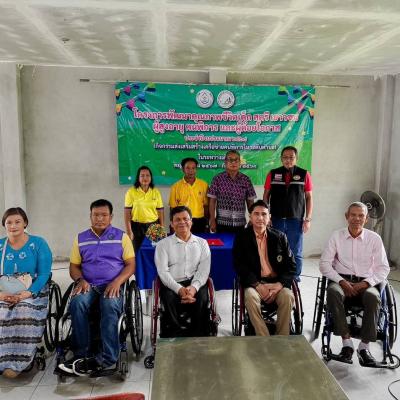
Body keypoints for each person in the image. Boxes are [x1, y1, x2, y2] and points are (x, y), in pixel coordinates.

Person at [58, 199, 135, 377]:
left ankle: (108, 357)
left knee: (109, 305)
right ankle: (81, 355)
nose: (100, 218)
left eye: (104, 215)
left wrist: (118, 282)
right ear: (90, 216)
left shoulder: (121, 237)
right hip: (89, 283)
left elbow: (131, 264)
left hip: (112, 284)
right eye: (96, 215)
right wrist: (80, 280)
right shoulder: (80, 238)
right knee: (77, 303)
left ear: (111, 217)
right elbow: (73, 266)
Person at [319, 202, 390, 367]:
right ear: (347, 216)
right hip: (341, 279)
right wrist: (342, 281)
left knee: (374, 298)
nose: (357, 219)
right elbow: (324, 264)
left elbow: (383, 268)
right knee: (333, 292)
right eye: (353, 215)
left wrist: (365, 283)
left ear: (366, 219)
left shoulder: (374, 238)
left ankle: (364, 347)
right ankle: (347, 344)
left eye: (361, 216)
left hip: (366, 282)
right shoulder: (336, 236)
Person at [0, 207, 52, 378]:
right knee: (2, 311)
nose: (13, 226)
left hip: (33, 290)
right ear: (4, 225)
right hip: (4, 290)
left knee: (23, 310)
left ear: (25, 223)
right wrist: (2, 295)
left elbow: (44, 274)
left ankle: (18, 362)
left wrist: (28, 293)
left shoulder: (38, 244)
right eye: (9, 222)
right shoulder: (0, 246)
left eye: (17, 222)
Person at [233, 200, 296, 336]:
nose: (260, 218)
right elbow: (239, 265)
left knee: (288, 296)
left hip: (276, 283)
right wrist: (257, 285)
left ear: (269, 217)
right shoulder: (242, 237)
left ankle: (282, 337)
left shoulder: (280, 237)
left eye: (264, 214)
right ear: (250, 216)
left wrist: (279, 285)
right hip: (254, 283)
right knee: (250, 297)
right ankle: (264, 338)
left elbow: (291, 266)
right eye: (256, 214)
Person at [155, 206, 211, 337]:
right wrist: (179, 289)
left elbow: (204, 270)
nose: (182, 222)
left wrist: (193, 288)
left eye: (185, 219)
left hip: (195, 282)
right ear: (171, 223)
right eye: (177, 220)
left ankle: (199, 335)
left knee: (202, 298)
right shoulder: (162, 245)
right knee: (168, 298)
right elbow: (163, 272)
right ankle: (174, 335)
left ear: (191, 221)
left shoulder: (202, 243)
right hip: (172, 283)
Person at [263, 146, 313, 280]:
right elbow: (266, 196)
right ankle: (276, 275)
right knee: (275, 249)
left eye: (291, 157)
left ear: (296, 158)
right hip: (276, 219)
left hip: (295, 220)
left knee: (295, 251)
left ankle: (294, 277)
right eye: (285, 157)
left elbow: (309, 197)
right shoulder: (273, 174)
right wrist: (266, 216)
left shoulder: (304, 174)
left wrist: (308, 219)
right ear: (281, 159)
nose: (288, 160)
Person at [208, 150, 256, 233]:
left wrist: (252, 219)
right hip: (221, 223)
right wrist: (212, 220)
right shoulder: (217, 179)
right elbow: (212, 201)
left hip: (240, 224)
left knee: (239, 242)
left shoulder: (246, 180)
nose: (233, 162)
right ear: (225, 162)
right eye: (230, 160)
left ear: (240, 162)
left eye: (236, 160)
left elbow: (250, 202)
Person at [124, 166, 164, 252]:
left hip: (154, 226)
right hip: (137, 227)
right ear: (138, 178)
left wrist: (162, 228)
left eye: (147, 175)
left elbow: (160, 212)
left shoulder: (156, 192)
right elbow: (127, 213)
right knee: (137, 251)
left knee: (154, 252)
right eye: (142, 175)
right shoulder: (131, 192)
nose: (145, 178)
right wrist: (129, 231)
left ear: (151, 177)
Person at [169, 157, 209, 233]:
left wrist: (207, 223)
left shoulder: (204, 185)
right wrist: (172, 224)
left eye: (193, 168)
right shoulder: (175, 186)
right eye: (188, 168)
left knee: (198, 240)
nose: (191, 171)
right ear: (183, 169)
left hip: (199, 221)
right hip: (182, 221)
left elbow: (206, 206)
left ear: (196, 169)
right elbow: (173, 208)